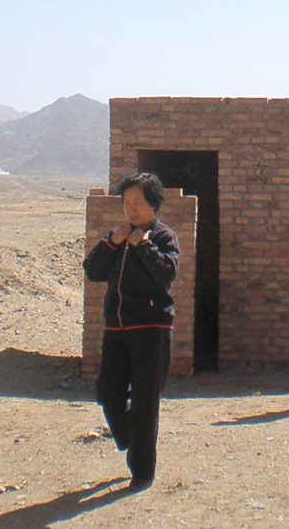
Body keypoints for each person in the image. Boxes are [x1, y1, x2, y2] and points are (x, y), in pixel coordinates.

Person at [82, 172, 180, 491]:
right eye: (126, 204)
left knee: (144, 401)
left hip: (151, 327)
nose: (131, 210)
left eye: (137, 204)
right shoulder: (119, 236)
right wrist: (113, 242)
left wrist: (144, 246)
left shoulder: (164, 236)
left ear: (153, 204)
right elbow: (93, 271)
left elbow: (166, 273)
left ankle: (142, 472)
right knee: (107, 393)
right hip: (117, 327)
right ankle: (127, 438)